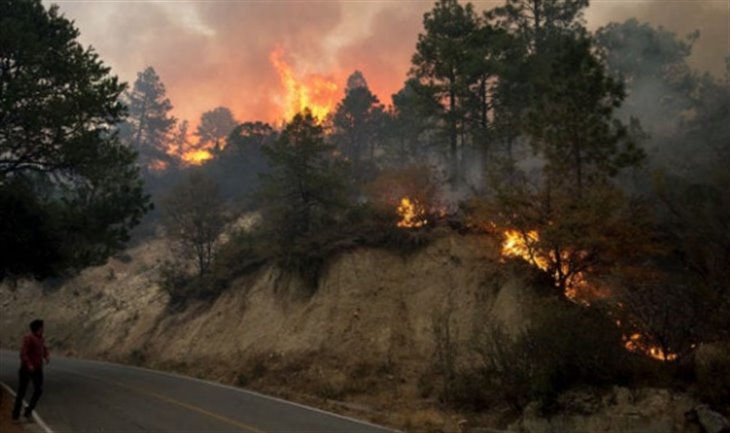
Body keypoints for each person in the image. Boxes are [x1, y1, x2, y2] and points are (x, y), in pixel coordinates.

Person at [12, 319, 50, 421]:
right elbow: (23, 353)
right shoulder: (29, 338)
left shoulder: (41, 339)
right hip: (26, 369)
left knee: (39, 390)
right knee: (21, 392)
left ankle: (28, 411)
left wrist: (46, 356)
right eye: (42, 327)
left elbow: (44, 348)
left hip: (37, 369)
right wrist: (29, 365)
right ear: (38, 328)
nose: (43, 329)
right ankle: (15, 415)